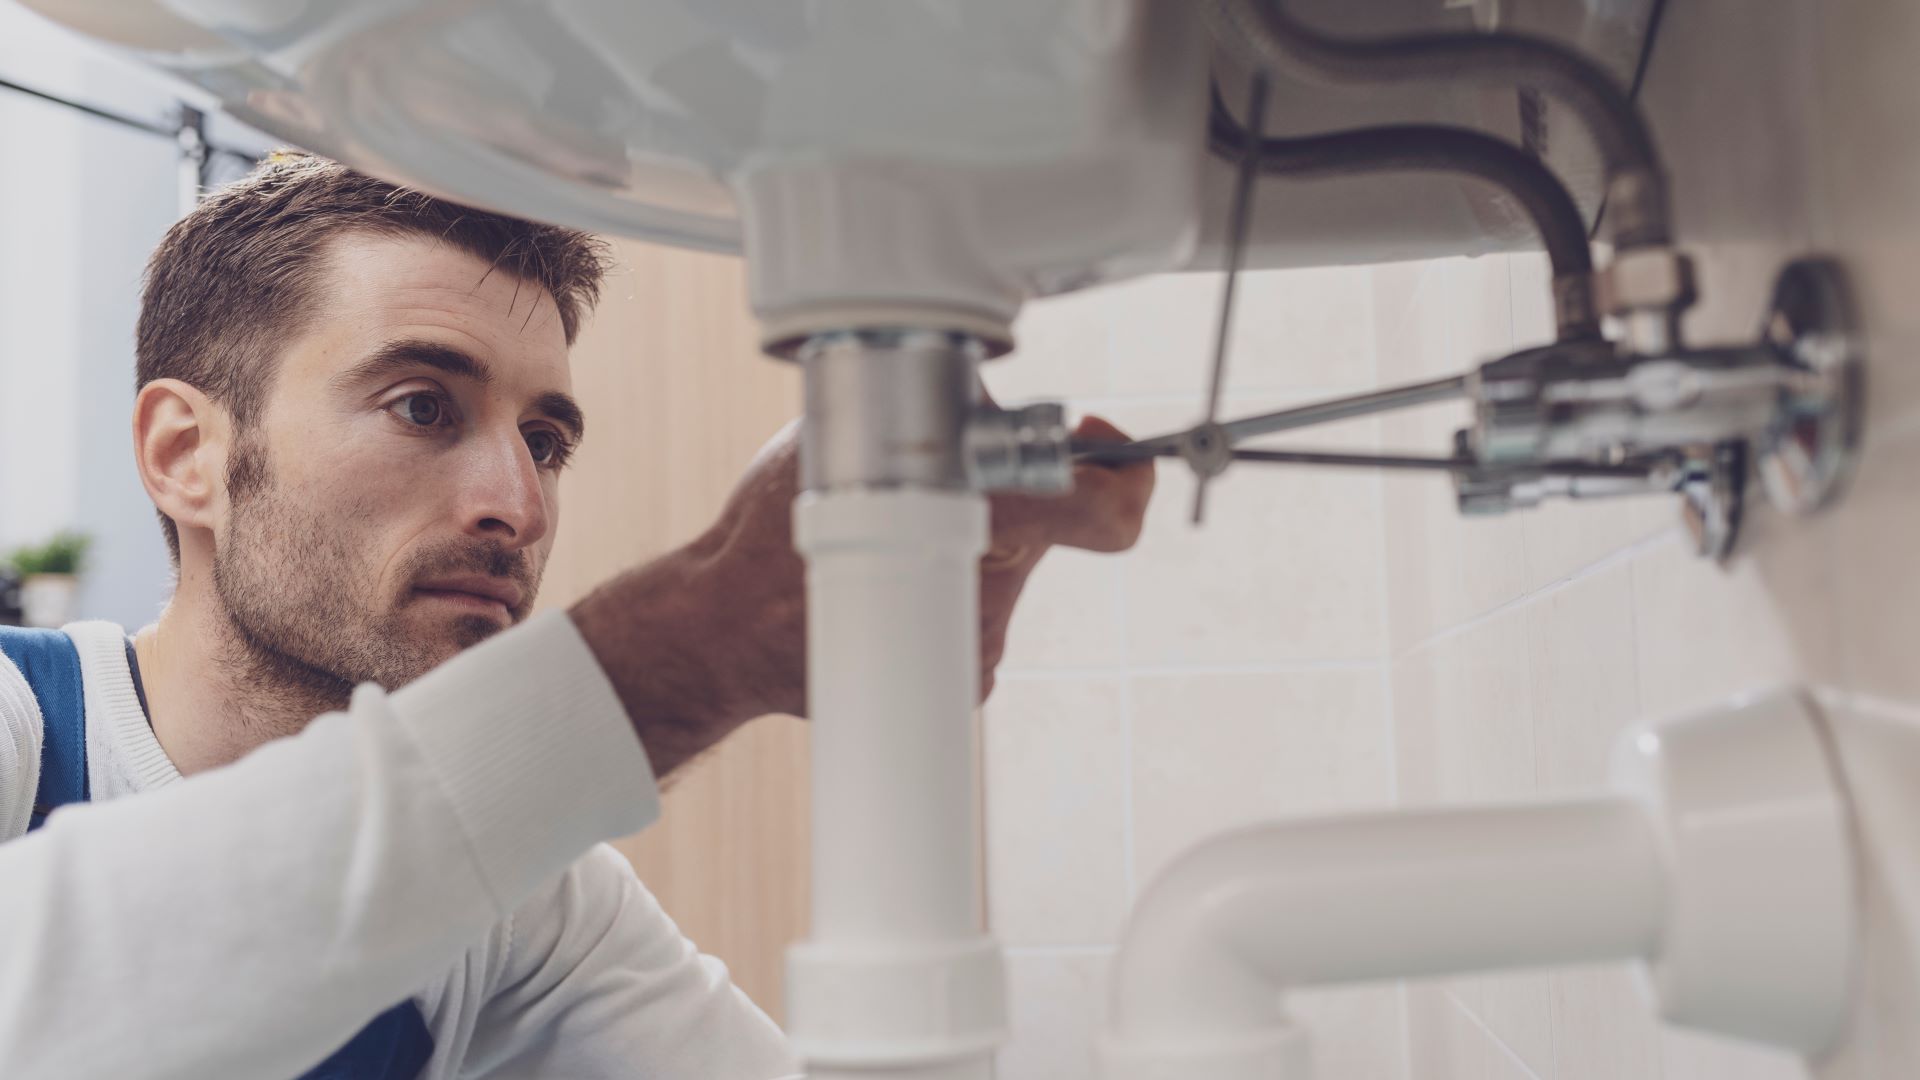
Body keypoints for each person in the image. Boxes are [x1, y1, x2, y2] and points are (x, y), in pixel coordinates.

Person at [0, 153, 1155, 1079]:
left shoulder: (522, 901)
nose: (517, 505)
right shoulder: (24, 726)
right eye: (422, 406)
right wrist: (688, 645)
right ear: (186, 453)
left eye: (545, 442)